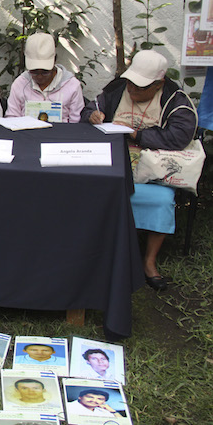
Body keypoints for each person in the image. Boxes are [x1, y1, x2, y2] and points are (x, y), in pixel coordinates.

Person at [82, 50, 197, 291]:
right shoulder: (116, 90)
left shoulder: (176, 102)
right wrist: (92, 115)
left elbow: (179, 136)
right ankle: (95, 253)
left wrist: (137, 134)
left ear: (159, 84)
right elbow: (87, 110)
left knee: (162, 199)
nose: (132, 91)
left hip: (150, 173)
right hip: (114, 164)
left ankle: (149, 261)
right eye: (131, 85)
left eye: (140, 88)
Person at [6, 32, 84, 123]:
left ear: (54, 62)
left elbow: (77, 122)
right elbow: (11, 118)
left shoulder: (72, 85)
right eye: (34, 72)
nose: (39, 77)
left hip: (62, 135)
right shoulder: (20, 83)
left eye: (45, 72)